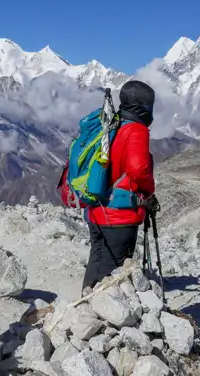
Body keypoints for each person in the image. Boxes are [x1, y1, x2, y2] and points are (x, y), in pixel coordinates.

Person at [81, 79, 156, 291]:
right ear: (145, 106)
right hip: (119, 215)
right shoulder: (136, 130)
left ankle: (83, 311)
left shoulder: (112, 125)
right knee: (112, 274)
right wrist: (149, 193)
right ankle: (104, 319)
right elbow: (138, 168)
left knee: (97, 263)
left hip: (97, 211)